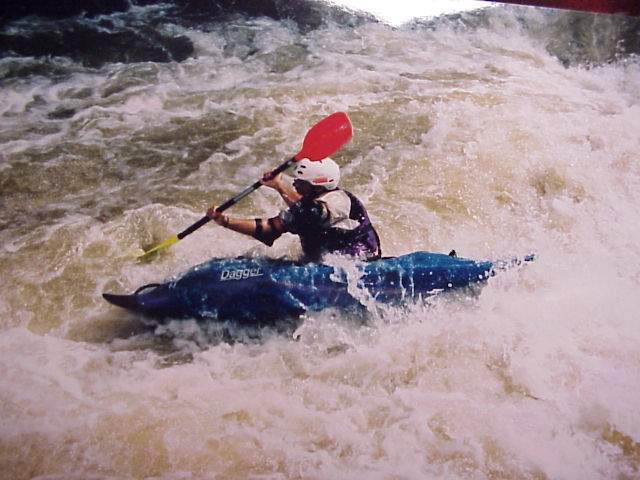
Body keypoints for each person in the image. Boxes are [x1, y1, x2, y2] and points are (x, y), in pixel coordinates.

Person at [207, 157, 381, 262]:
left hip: (360, 263)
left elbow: (311, 213)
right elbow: (268, 229)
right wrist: (225, 221)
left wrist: (279, 185)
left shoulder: (339, 200)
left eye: (301, 181)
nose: (295, 184)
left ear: (317, 185)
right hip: (322, 267)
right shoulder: (301, 209)